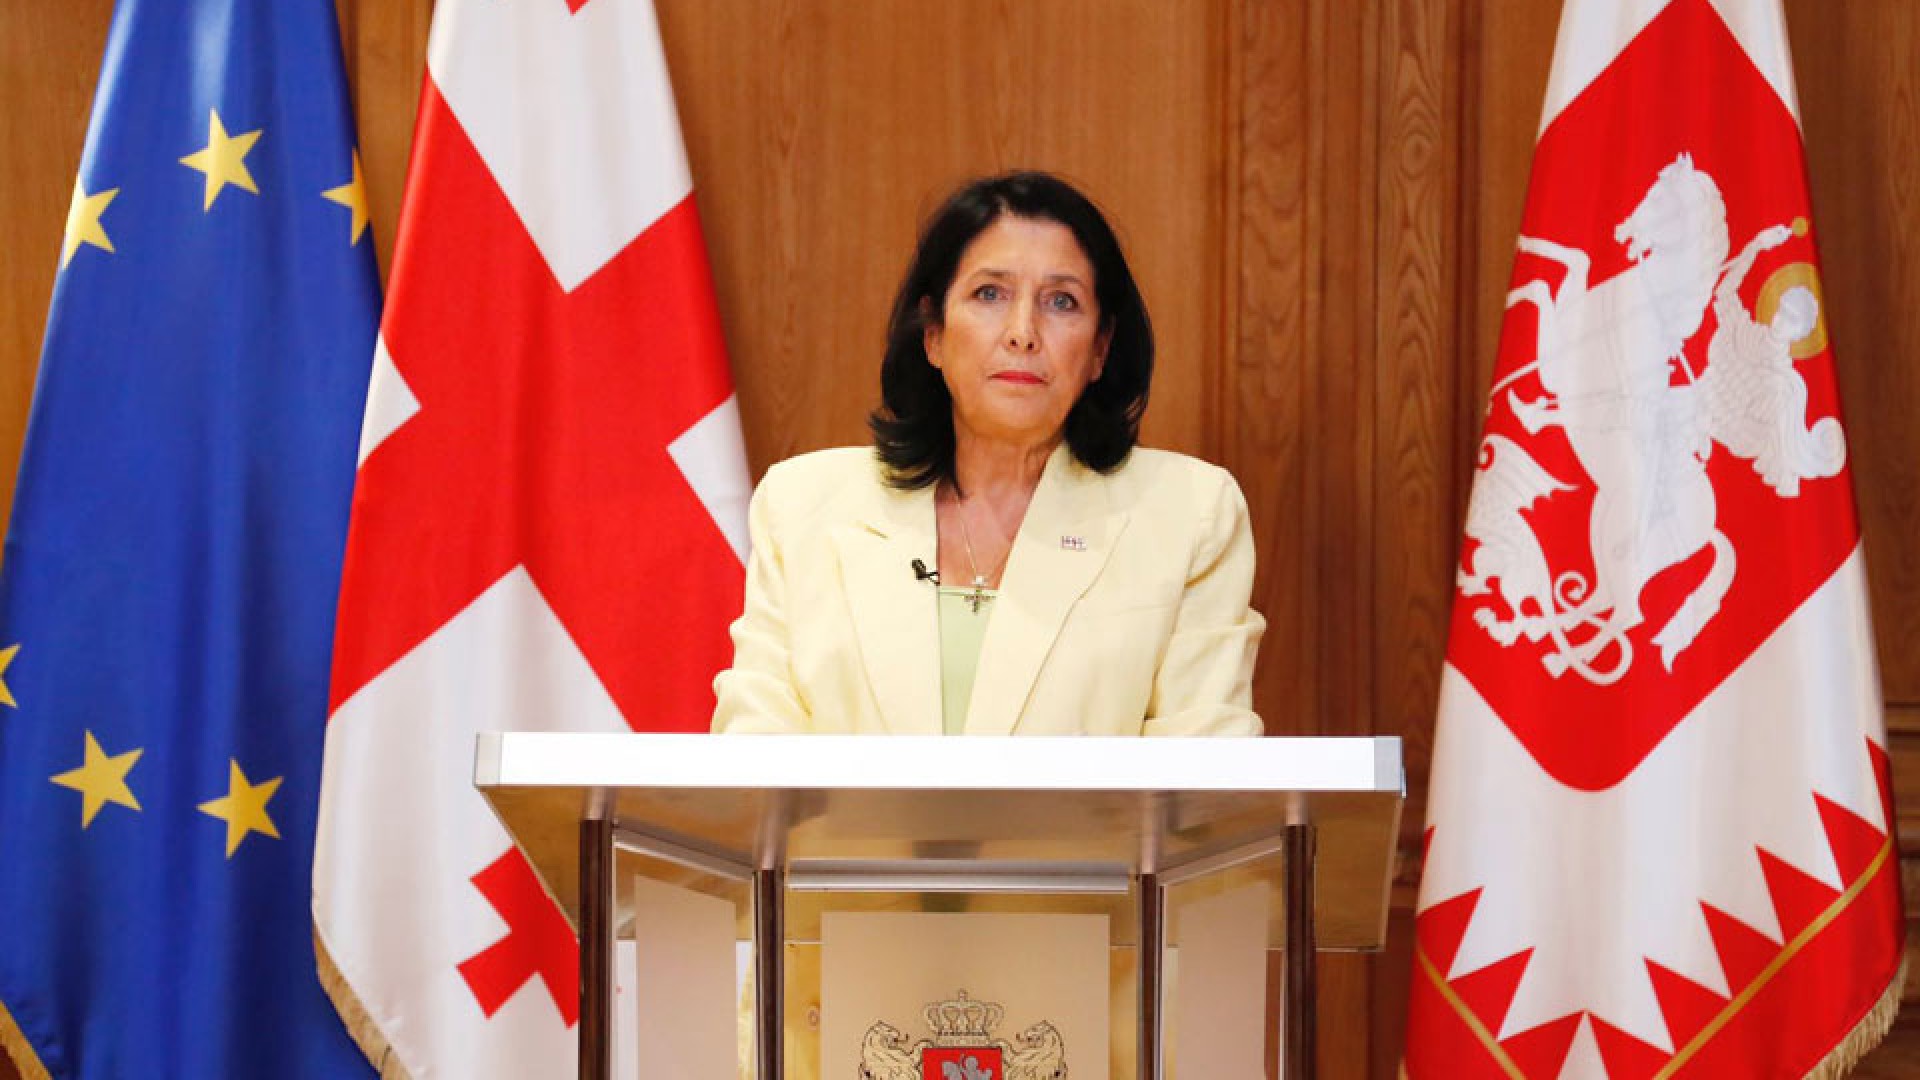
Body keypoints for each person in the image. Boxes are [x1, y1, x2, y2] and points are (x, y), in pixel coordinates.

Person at [711, 171, 1264, 736]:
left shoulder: (1188, 514)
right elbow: (754, 755)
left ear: (1100, 348)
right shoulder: (803, 507)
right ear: (933, 334)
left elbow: (1204, 767)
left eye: (1061, 301)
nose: (1023, 332)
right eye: (990, 294)